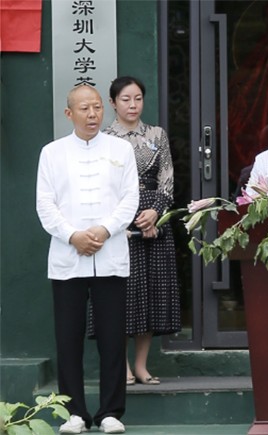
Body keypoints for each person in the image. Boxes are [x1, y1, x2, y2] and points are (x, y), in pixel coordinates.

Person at [36, 85, 139, 434]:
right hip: (68, 257)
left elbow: (129, 199)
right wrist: (72, 236)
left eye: (97, 107)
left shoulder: (121, 149)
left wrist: (104, 230)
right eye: (85, 108)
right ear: (70, 114)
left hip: (109, 254)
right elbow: (45, 205)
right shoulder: (51, 153)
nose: (93, 114)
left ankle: (111, 412)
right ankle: (74, 413)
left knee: (112, 337)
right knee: (68, 338)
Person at [87, 76, 181, 386]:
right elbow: (99, 186)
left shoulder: (157, 134)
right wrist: (120, 224)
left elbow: (167, 179)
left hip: (154, 219)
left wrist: (156, 213)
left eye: (138, 98)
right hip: (117, 224)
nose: (133, 105)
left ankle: (141, 366)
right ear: (112, 103)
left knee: (152, 295)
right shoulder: (103, 138)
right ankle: (123, 367)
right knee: (124, 297)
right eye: (126, 99)